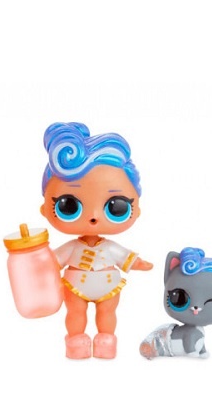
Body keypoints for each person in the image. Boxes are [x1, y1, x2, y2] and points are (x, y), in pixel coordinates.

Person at [40, 122, 153, 359]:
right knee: (75, 313)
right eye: (68, 206)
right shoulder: (71, 248)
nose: (93, 217)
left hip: (108, 285)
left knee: (107, 313)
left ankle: (106, 340)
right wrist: (38, 263)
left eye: (116, 206)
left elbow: (124, 257)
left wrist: (138, 263)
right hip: (75, 286)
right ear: (45, 209)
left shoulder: (110, 247)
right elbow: (52, 262)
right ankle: (76, 340)